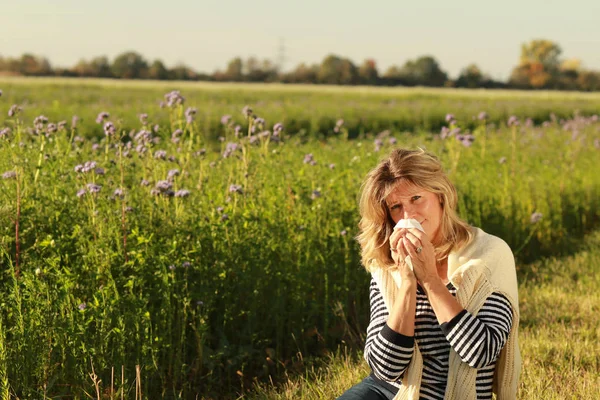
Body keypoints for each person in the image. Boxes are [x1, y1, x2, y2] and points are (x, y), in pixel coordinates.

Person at [337, 148, 520, 400]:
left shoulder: (489, 255)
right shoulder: (387, 264)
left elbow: (481, 352)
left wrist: (431, 280)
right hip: (391, 392)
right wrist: (408, 283)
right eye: (396, 207)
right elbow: (385, 368)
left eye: (416, 198)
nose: (408, 215)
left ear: (440, 196)